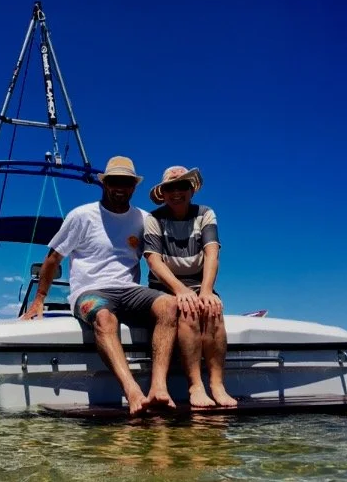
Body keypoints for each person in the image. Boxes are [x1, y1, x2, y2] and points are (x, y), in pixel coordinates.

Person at [20, 156, 179, 415]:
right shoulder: (81, 216)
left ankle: (159, 387)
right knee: (105, 318)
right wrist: (39, 299)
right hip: (90, 291)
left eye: (126, 182)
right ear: (104, 184)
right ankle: (132, 392)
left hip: (130, 290)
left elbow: (158, 258)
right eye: (114, 181)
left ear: (134, 187)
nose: (120, 187)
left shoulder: (143, 218)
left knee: (169, 305)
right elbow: (53, 258)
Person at [143, 166, 238, 408]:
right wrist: (180, 290)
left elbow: (212, 253)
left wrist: (206, 291)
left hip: (199, 282)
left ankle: (217, 384)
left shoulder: (205, 214)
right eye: (170, 187)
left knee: (213, 310)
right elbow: (153, 260)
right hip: (165, 286)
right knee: (187, 312)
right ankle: (195, 385)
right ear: (162, 193)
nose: (176, 192)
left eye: (182, 186)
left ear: (191, 190)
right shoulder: (153, 219)